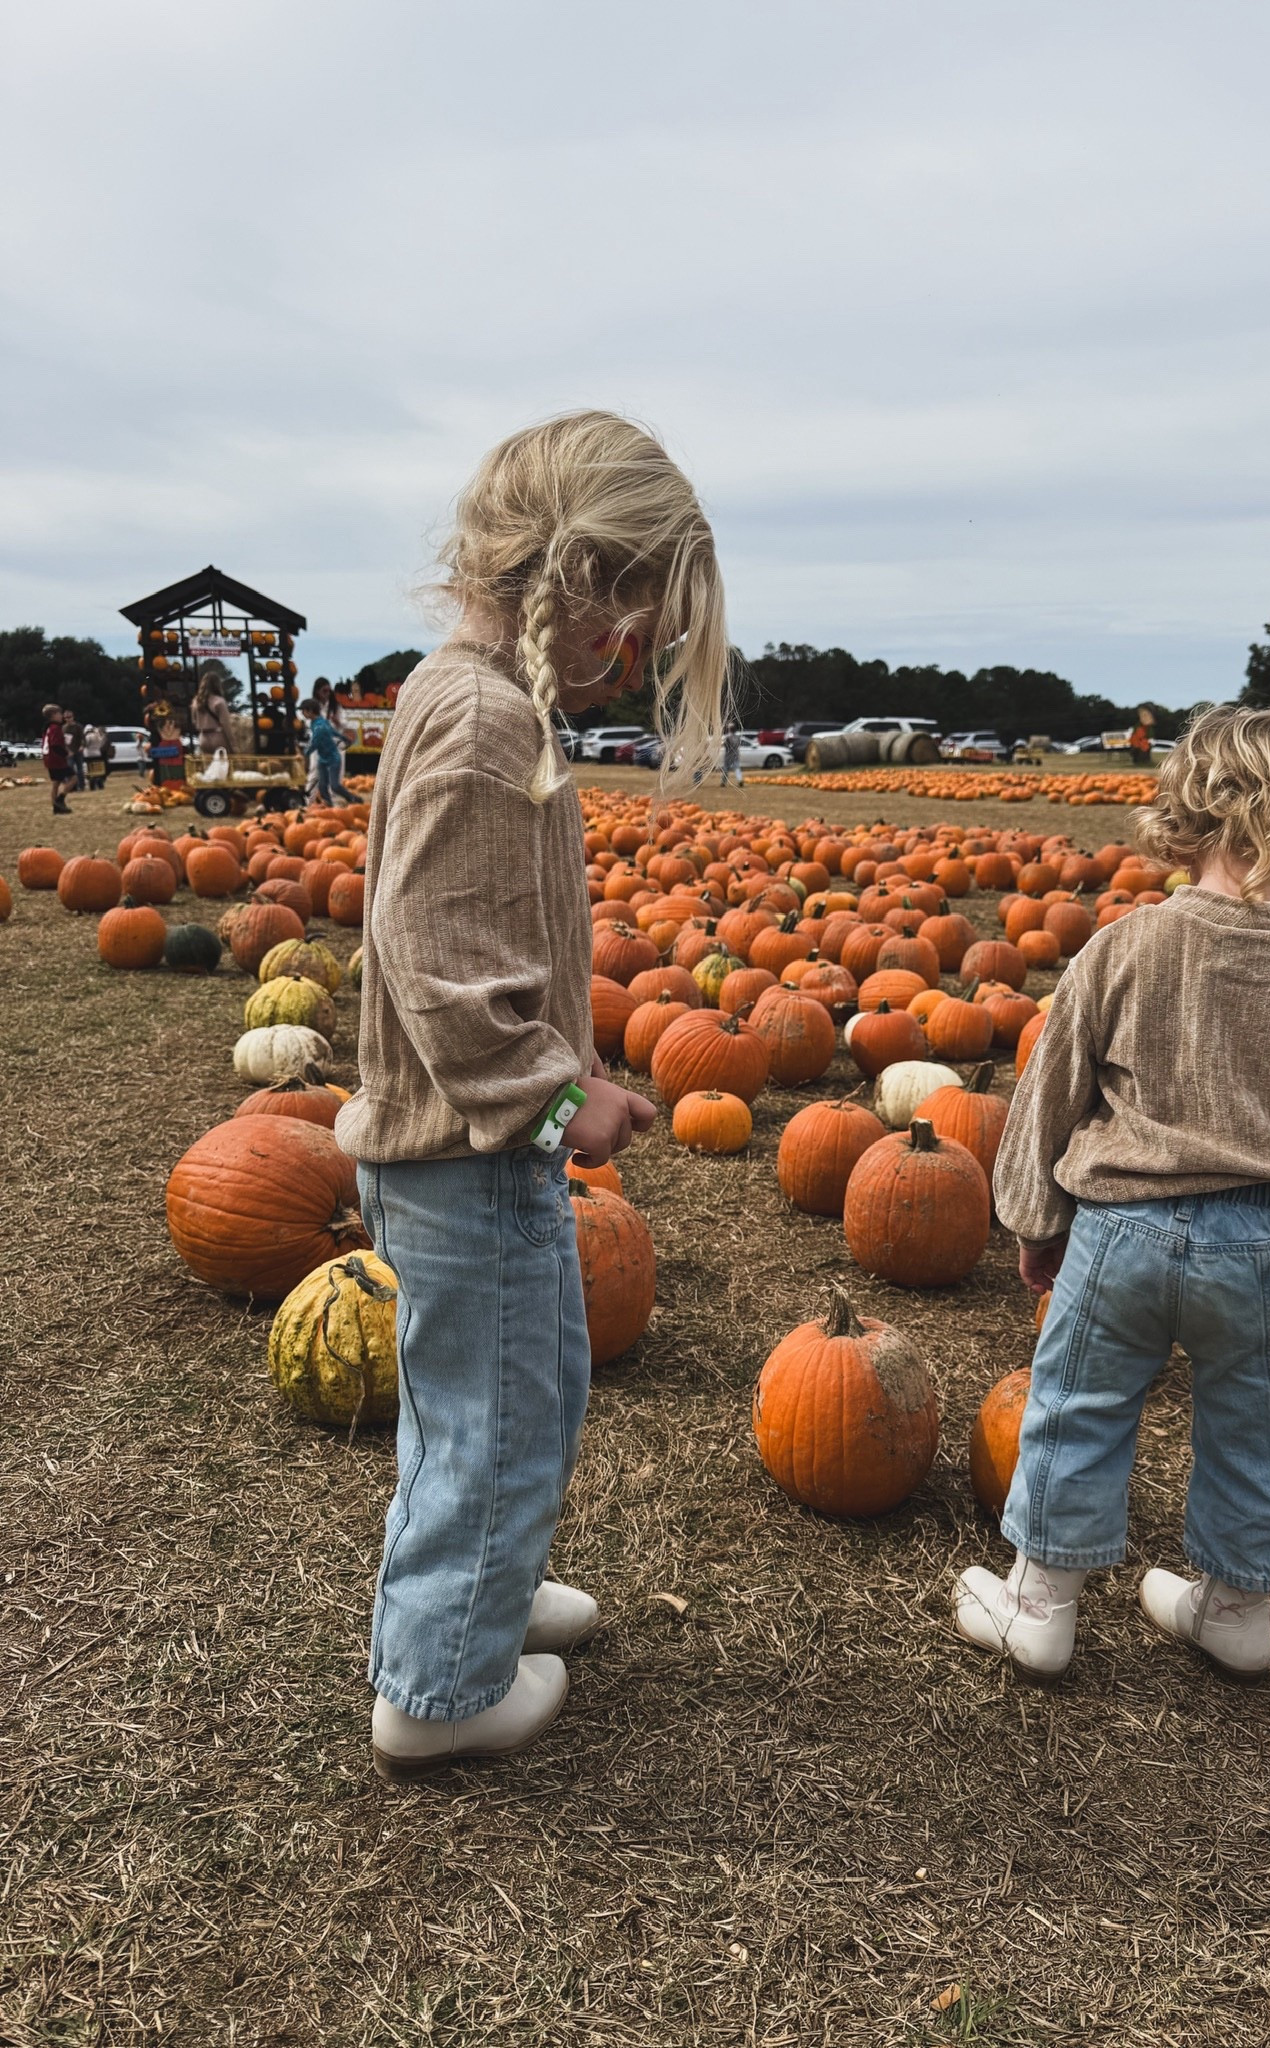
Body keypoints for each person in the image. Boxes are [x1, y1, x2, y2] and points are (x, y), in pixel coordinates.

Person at [333, 410, 730, 1781]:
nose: (632, 661)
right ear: (582, 581)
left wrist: (566, 1075)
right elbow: (444, 969)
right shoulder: (490, 720)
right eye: (636, 626)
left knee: (510, 1395)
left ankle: (480, 1597)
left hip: (468, 1146)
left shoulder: (468, 695)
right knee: (493, 1413)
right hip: (469, 1151)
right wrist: (564, 1100)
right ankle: (439, 1692)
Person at [952, 706, 1270, 1682]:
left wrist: (1035, 1219)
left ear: (1190, 821)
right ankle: (1236, 1608)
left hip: (1119, 1230)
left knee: (1076, 1406)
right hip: (1261, 1241)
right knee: (1260, 1423)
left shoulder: (1126, 944)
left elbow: (1049, 1089)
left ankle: (1039, 1606)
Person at [298, 696, 346, 805]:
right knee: (319, 779)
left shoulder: (319, 724)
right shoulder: (316, 723)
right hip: (325, 755)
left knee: (316, 777)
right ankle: (321, 802)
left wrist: (305, 753)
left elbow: (315, 742)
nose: (302, 713)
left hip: (326, 755)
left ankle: (308, 802)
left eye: (303, 710)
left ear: (310, 711)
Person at [192, 667, 238, 760]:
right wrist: (233, 745)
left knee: (209, 769)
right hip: (217, 736)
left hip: (203, 737)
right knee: (223, 768)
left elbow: (194, 721)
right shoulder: (219, 701)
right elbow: (226, 725)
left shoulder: (196, 701)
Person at [42, 703, 72, 812]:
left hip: (49, 759)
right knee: (74, 778)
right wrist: (65, 754)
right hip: (56, 759)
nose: (62, 716)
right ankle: (60, 800)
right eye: (60, 714)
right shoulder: (55, 728)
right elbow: (55, 745)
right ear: (53, 715)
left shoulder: (48, 727)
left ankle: (56, 808)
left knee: (56, 783)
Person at [82, 721, 109, 790]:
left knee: (90, 771)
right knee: (98, 770)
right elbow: (101, 744)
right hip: (97, 753)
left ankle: (92, 785)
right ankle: (100, 784)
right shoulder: (98, 736)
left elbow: (86, 745)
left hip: (88, 754)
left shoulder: (88, 736)